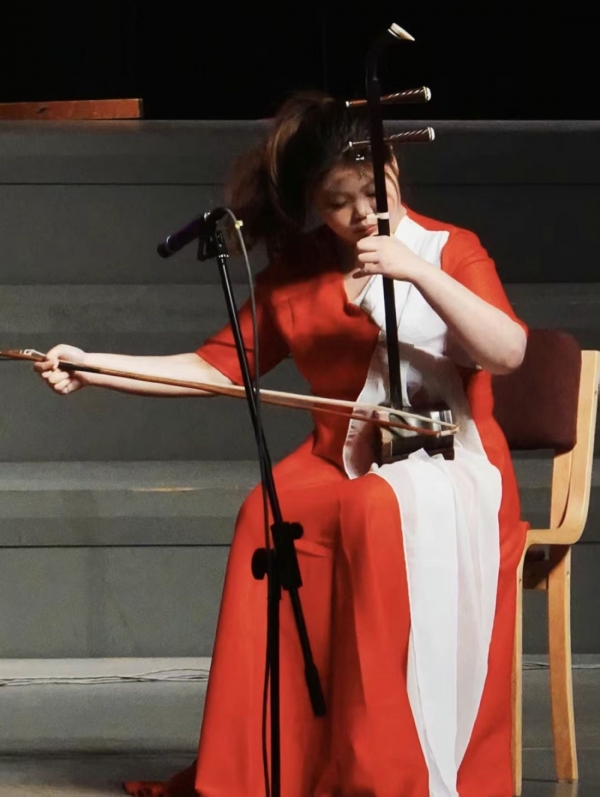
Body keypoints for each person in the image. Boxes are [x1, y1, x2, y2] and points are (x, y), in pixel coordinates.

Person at [35, 92, 528, 797]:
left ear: (393, 166)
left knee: (371, 511)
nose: (362, 214)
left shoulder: (449, 249)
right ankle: (257, 772)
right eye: (337, 203)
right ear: (310, 207)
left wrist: (417, 271)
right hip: (340, 458)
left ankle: (381, 773)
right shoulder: (296, 276)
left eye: (373, 192)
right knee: (268, 511)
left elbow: (507, 350)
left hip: (447, 464)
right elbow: (215, 367)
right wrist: (94, 366)